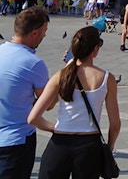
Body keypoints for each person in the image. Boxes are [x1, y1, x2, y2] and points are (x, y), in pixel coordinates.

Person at [28, 26, 120, 179]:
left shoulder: (61, 75)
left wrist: (55, 128)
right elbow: (115, 123)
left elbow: (33, 118)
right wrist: (109, 147)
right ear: (95, 49)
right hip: (89, 145)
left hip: (59, 144)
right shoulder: (107, 78)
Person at [0, 7, 50, 179]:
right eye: (44, 32)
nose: (44, 36)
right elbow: (48, 103)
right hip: (16, 142)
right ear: (34, 33)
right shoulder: (33, 63)